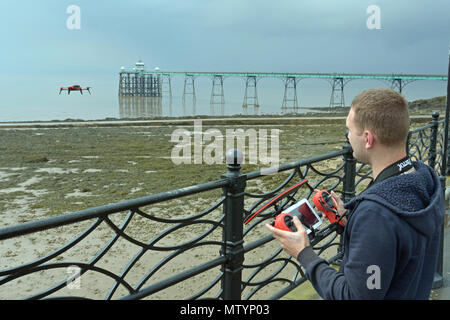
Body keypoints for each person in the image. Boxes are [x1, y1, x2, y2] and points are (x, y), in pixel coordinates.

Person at [266, 88, 445, 299]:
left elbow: (355, 296)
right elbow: (395, 248)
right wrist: (351, 219)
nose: (348, 137)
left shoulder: (376, 215)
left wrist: (304, 254)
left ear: (368, 139)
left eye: (349, 130)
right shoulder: (424, 180)